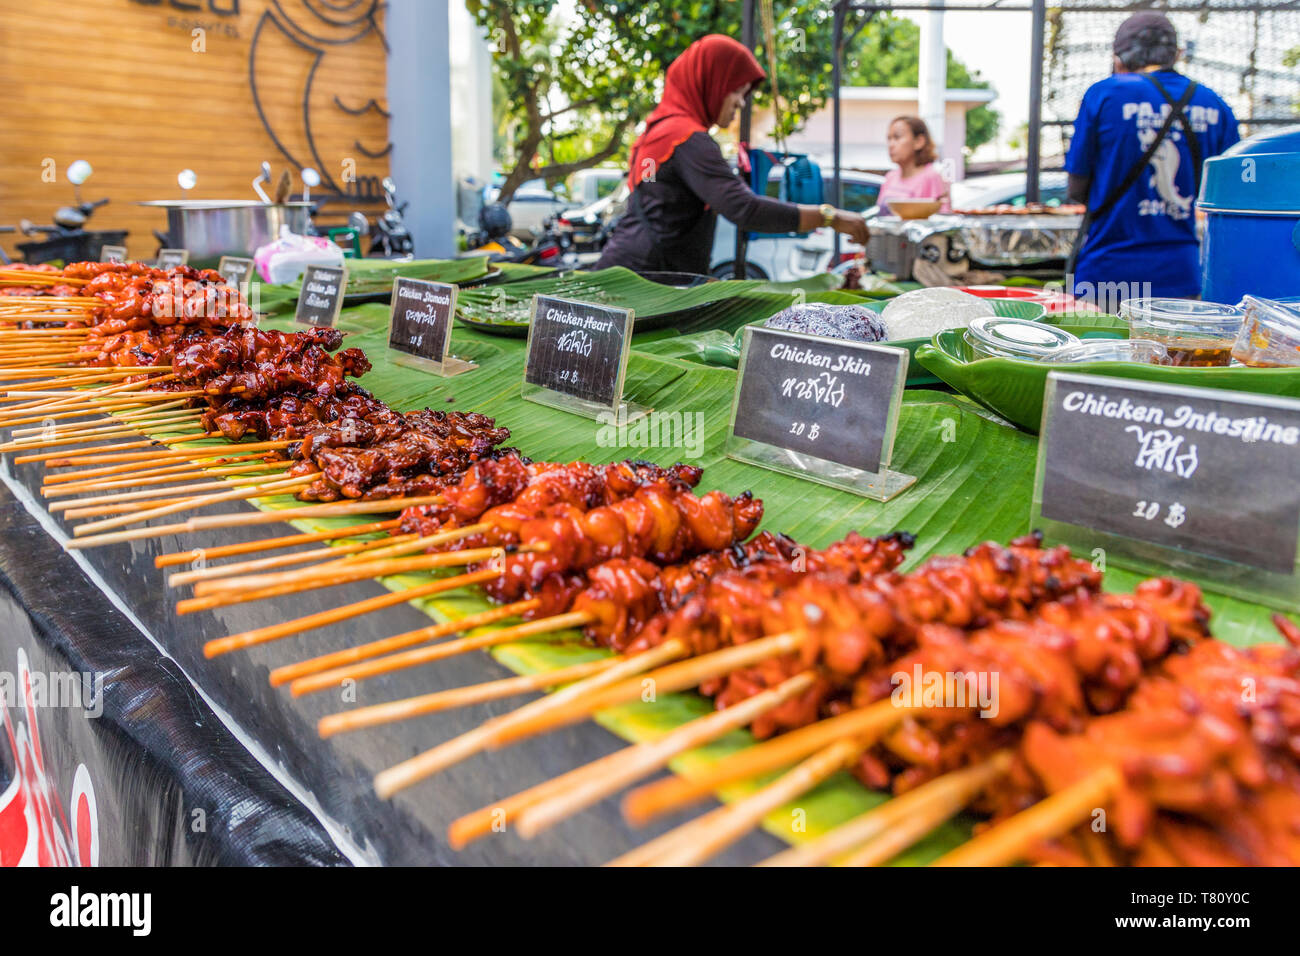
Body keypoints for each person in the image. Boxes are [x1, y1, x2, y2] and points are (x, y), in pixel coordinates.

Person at [595, 34, 869, 275]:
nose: (741, 101)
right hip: (645, 280)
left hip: (634, 270)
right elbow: (745, 209)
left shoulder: (661, 131)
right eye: (736, 90)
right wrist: (829, 217)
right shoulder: (687, 138)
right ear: (709, 82)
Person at [1065, 11, 1239, 303]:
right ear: (1177, 54)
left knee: (1100, 347)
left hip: (1107, 273)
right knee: (1175, 350)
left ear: (1119, 57)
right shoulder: (1214, 103)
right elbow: (1229, 195)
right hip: (1181, 275)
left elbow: (1076, 188)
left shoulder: (1104, 94)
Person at [879, 116, 951, 215]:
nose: (891, 144)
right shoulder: (890, 177)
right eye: (889, 138)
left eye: (897, 137)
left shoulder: (931, 177)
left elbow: (940, 220)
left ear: (919, 141)